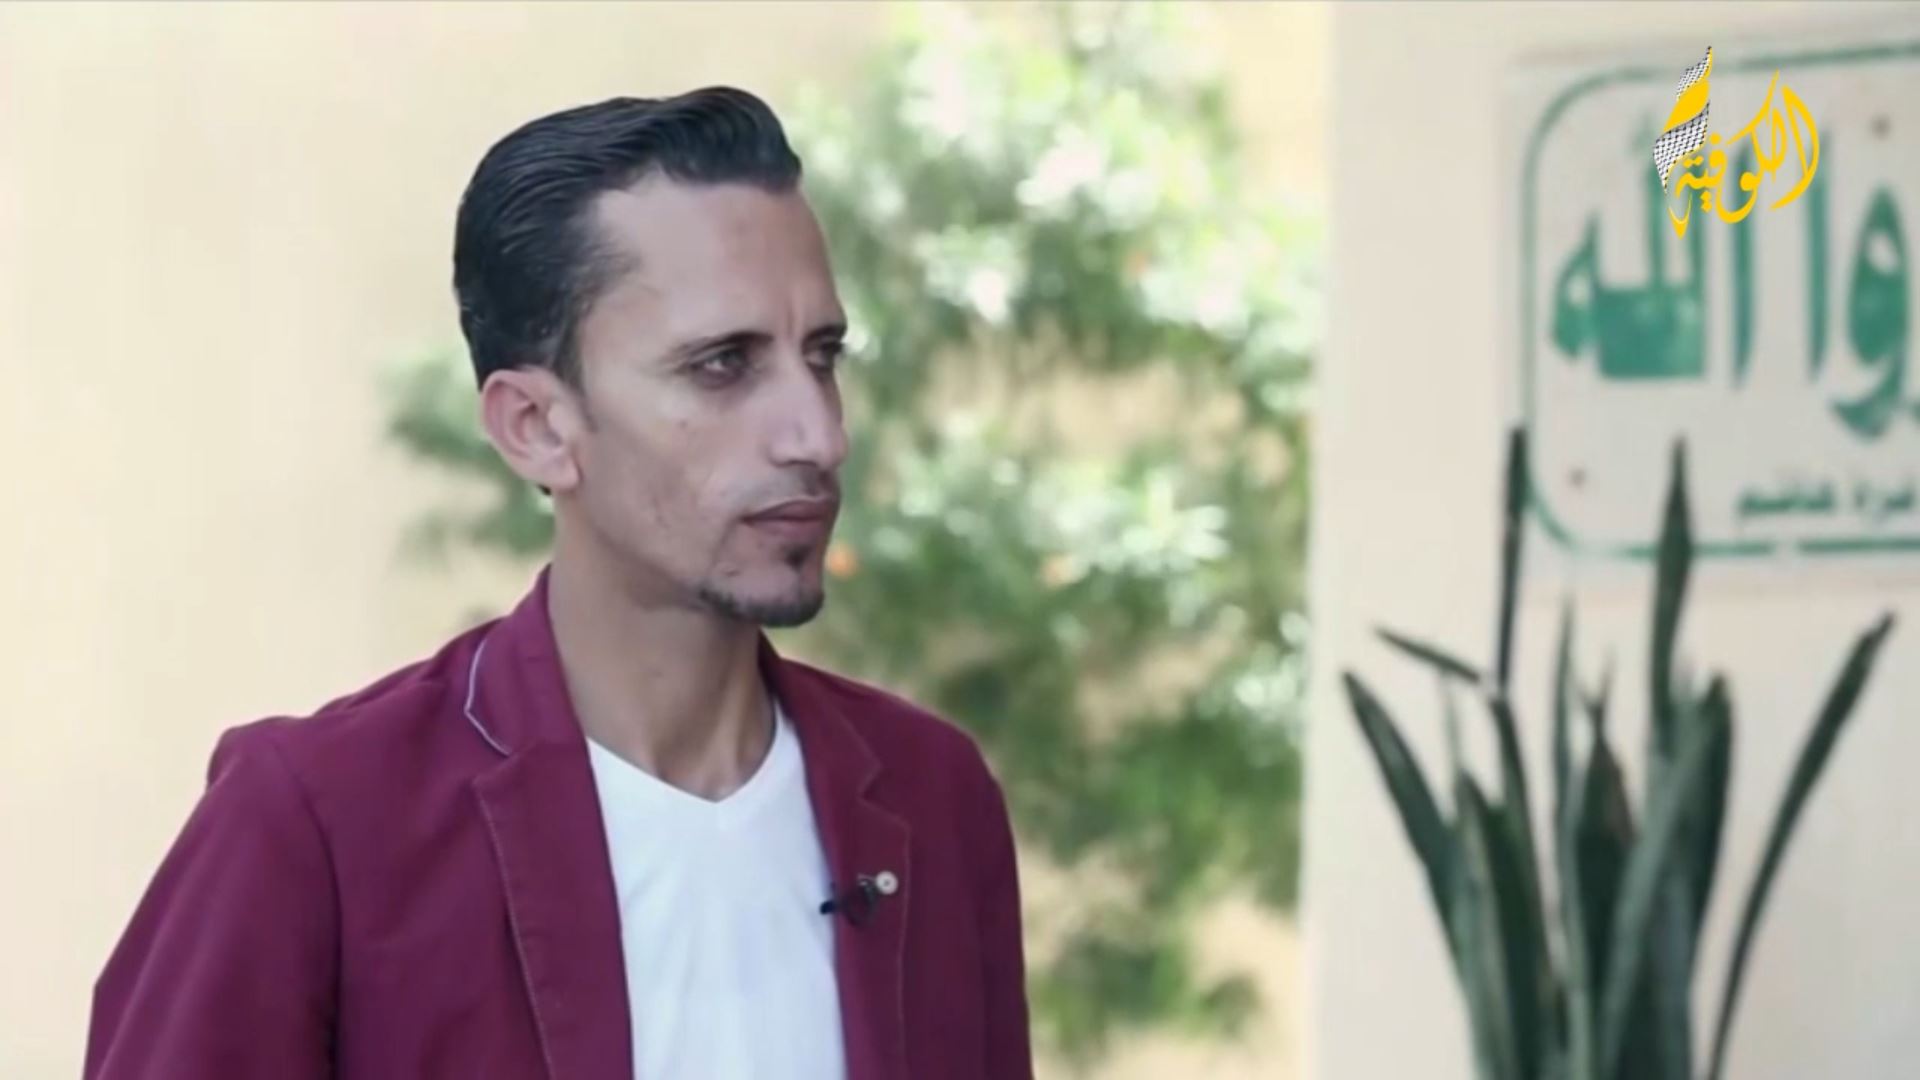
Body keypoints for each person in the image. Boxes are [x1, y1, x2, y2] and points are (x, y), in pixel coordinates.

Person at [86, 86, 1033, 1080]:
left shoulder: (934, 798)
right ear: (536, 428)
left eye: (823, 356)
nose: (818, 435)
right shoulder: (316, 825)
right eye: (723, 365)